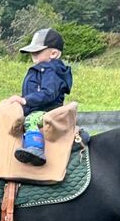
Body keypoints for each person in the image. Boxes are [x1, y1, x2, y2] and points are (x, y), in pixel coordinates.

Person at [8, 28, 73, 166]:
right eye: (32, 54)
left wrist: (26, 100)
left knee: (31, 120)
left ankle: (35, 149)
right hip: (36, 108)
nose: (34, 57)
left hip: (48, 111)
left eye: (37, 53)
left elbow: (49, 93)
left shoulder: (51, 71)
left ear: (53, 53)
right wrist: (20, 100)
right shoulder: (40, 70)